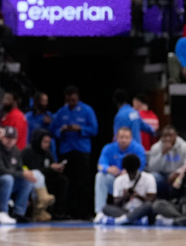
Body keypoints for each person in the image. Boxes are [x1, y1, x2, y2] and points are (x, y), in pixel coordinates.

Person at [51, 86, 98, 218]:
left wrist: (80, 129)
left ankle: (85, 212)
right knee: (67, 182)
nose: (70, 99)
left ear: (77, 96)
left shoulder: (87, 110)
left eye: (73, 97)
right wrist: (61, 131)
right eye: (68, 97)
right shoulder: (61, 112)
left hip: (82, 150)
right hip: (66, 150)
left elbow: (94, 129)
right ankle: (67, 211)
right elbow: (53, 131)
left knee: (83, 182)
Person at [0, 126, 35, 225]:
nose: (9, 140)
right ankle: (3, 212)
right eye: (7, 137)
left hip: (8, 180)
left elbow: (19, 168)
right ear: (2, 137)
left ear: (16, 139)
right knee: (8, 179)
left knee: (27, 181)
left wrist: (26, 174)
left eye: (12, 138)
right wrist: (22, 174)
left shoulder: (15, 150)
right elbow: (0, 170)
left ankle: (18, 213)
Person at [94, 127, 147, 216]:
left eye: (126, 137)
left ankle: (138, 212)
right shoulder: (108, 148)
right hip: (115, 182)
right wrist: (108, 169)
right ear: (116, 137)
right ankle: (99, 212)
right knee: (100, 176)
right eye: (121, 137)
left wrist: (128, 171)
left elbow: (141, 166)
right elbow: (100, 165)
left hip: (132, 183)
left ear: (131, 138)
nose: (124, 140)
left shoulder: (138, 148)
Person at [96, 153, 157, 226]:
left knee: (148, 206)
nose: (131, 175)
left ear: (137, 169)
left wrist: (137, 196)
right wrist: (125, 197)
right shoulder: (119, 180)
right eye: (129, 172)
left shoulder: (149, 178)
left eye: (133, 172)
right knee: (105, 208)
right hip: (126, 210)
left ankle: (123, 220)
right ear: (125, 170)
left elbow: (151, 200)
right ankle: (131, 219)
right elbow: (116, 203)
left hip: (142, 210)